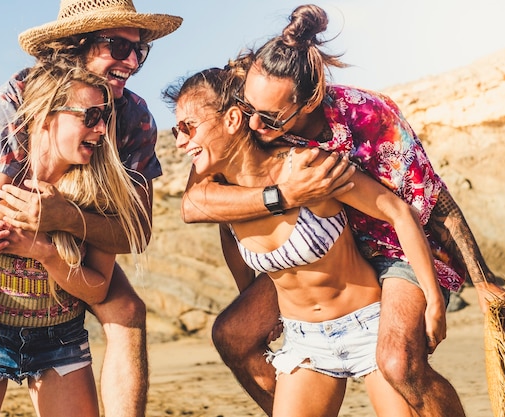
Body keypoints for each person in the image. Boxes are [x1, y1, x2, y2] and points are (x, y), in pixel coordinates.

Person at [176, 4, 503, 416]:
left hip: (393, 246)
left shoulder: (368, 118)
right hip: (325, 270)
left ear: (309, 101)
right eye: (249, 111)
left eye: (271, 118)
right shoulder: (251, 118)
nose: (255, 126)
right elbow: (198, 203)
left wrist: (476, 280)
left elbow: (428, 204)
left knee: (398, 363)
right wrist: (282, 196)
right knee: (232, 333)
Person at [0, 1, 182, 417]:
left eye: (140, 50)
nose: (133, 62)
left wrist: (63, 220)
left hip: (64, 249)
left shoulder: (134, 116)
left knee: (127, 310)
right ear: (75, 44)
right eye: (118, 48)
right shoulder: (19, 96)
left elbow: (136, 233)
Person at [163, 65, 443, 416]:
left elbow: (399, 213)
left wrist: (433, 300)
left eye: (187, 127)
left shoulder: (310, 169)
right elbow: (223, 233)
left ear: (233, 119)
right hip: (305, 344)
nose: (179, 141)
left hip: (367, 328)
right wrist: (249, 297)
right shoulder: (224, 199)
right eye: (176, 130)